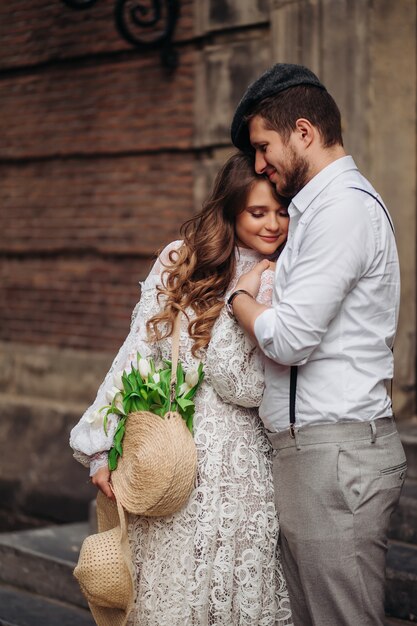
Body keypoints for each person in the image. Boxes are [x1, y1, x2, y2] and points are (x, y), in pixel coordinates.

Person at [70, 152, 293, 626]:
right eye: (258, 212)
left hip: (239, 471)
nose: (273, 224)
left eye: (282, 210)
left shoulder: (282, 274)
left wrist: (244, 299)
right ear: (231, 211)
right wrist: (101, 447)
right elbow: (135, 354)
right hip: (167, 459)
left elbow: (246, 386)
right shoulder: (179, 258)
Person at [227, 63, 407, 626]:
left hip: (335, 456)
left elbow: (290, 338)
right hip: (312, 456)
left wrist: (240, 300)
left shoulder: (343, 209)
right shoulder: (314, 212)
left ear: (304, 132)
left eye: (263, 147)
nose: (260, 165)